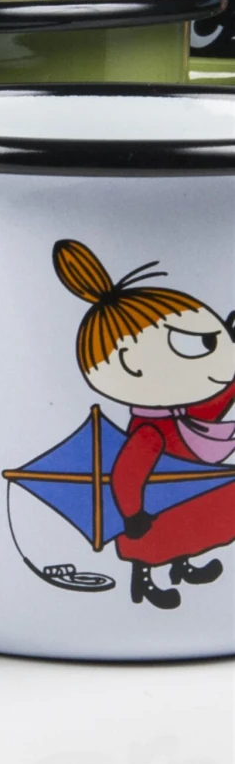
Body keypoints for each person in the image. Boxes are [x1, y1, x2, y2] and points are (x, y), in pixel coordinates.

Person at [53, 238, 235, 608]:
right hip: (150, 503)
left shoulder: (180, 416)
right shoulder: (150, 431)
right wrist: (132, 513)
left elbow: (211, 407)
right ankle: (144, 580)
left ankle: (183, 565)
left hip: (185, 489)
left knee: (194, 519)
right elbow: (127, 473)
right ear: (130, 364)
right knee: (157, 538)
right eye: (201, 344)